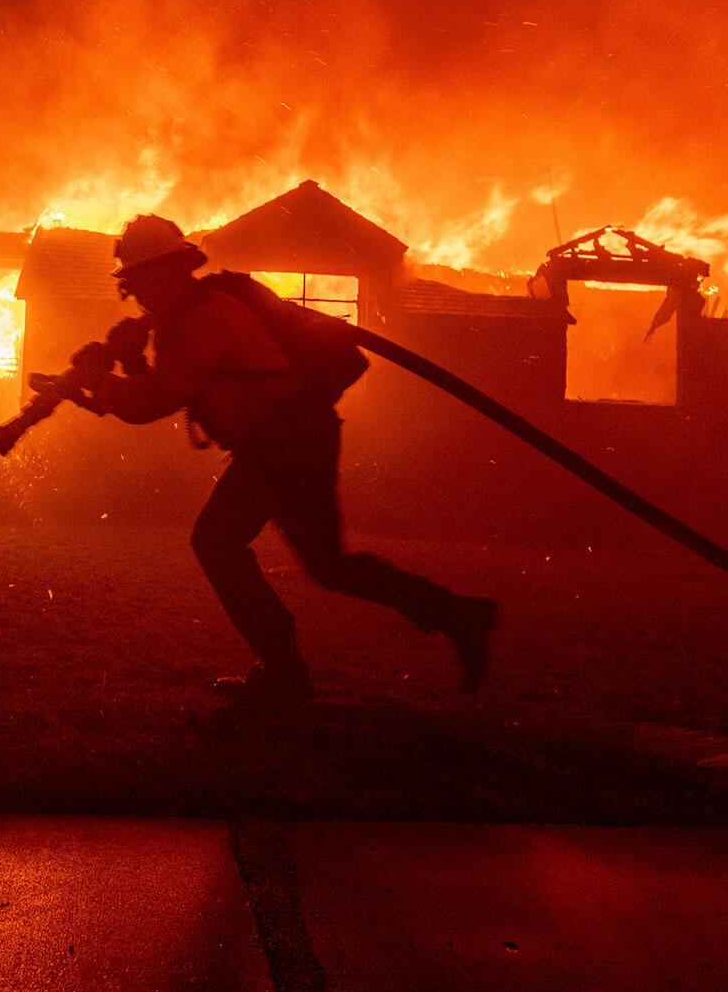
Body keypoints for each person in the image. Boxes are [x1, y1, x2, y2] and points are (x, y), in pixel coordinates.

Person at [76, 214, 497, 707]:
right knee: (328, 566)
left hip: (284, 442)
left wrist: (99, 381)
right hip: (292, 439)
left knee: (216, 541)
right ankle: (457, 615)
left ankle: (283, 671)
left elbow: (154, 402)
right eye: (132, 283)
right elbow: (166, 387)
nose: (137, 292)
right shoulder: (187, 316)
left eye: (140, 278)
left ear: (169, 271)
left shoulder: (205, 316)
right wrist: (129, 362)